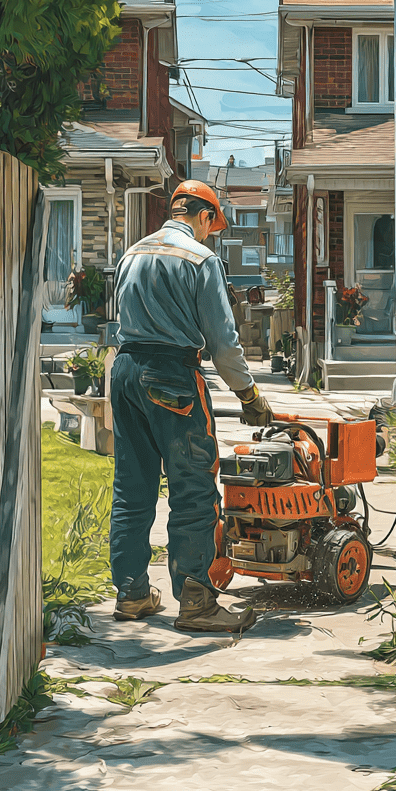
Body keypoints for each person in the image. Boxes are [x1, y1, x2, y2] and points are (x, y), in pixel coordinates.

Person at [108, 179, 273, 632]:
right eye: (211, 226)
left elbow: (117, 319)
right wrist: (249, 396)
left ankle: (132, 594)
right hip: (173, 377)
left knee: (132, 488)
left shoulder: (132, 253)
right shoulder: (201, 260)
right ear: (203, 216)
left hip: (124, 372)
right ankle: (197, 602)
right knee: (193, 488)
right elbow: (223, 344)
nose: (209, 235)